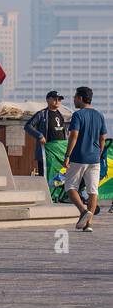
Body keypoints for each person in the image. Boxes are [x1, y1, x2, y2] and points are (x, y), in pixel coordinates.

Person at [63, 87, 107, 232]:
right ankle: (89, 224)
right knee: (93, 191)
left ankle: (83, 211)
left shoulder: (78, 115)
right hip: (94, 158)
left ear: (81, 98)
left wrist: (67, 155)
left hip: (78, 157)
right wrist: (99, 153)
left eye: (75, 97)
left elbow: (74, 136)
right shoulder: (99, 115)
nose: (74, 99)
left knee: (70, 186)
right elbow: (103, 138)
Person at [25, 90, 68, 178]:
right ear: (48, 100)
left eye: (59, 100)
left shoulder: (61, 115)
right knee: (45, 177)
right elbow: (28, 126)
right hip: (46, 152)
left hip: (59, 153)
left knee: (59, 179)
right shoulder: (42, 114)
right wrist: (39, 136)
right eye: (55, 99)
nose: (57, 101)